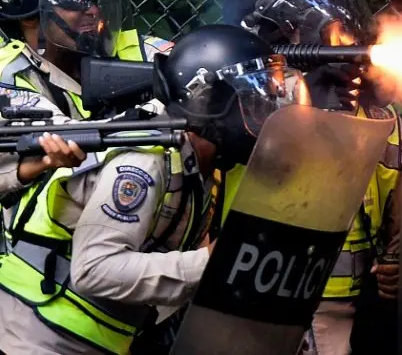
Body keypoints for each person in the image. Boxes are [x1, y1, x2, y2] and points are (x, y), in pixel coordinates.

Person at [0, 23, 309, 354]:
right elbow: (94, 270)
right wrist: (210, 262)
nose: (266, 114)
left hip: (93, 336)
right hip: (39, 330)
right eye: (253, 102)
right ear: (211, 101)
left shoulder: (204, 163)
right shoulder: (144, 162)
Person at [222, 0, 402, 355]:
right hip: (244, 306)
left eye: (348, 34)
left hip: (343, 312)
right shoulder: (234, 118)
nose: (346, 54)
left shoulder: (377, 120)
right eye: (328, 37)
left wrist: (396, 258)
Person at [0, 0, 174, 241]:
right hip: (43, 262)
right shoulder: (8, 77)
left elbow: (197, 68)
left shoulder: (140, 50)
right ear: (26, 15)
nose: (92, 10)